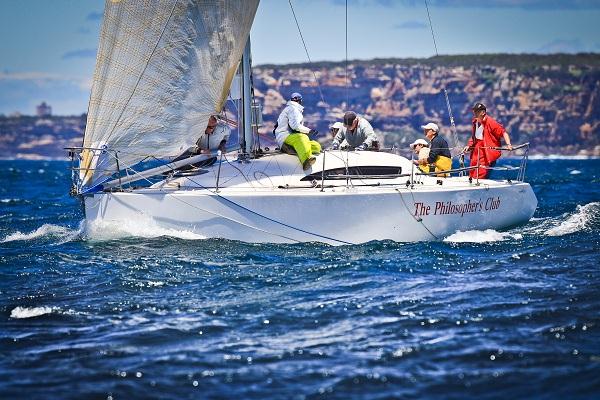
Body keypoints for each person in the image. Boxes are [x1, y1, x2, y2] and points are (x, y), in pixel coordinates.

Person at [463, 102, 513, 179]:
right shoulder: (475, 122)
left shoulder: (491, 122)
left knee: (480, 173)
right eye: (474, 111)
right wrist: (469, 146)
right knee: (472, 172)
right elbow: (475, 137)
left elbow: (504, 132)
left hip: (485, 151)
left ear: (483, 112)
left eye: (477, 111)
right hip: (476, 151)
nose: (475, 113)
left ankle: (479, 188)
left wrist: (509, 145)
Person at [274, 92, 321, 170]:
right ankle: (306, 160)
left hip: (291, 138)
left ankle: (297, 150)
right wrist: (309, 130)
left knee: (316, 146)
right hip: (285, 137)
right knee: (302, 137)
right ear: (300, 101)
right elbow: (295, 126)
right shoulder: (293, 109)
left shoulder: (293, 109)